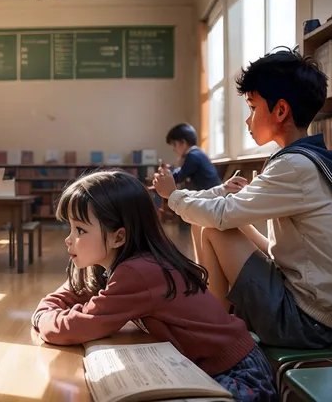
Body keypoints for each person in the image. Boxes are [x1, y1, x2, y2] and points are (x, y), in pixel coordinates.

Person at [153, 47, 332, 350]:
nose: (248, 120)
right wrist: (236, 213)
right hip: (314, 314)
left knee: (213, 229)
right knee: (218, 227)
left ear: (280, 111)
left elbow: (220, 215)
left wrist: (172, 195)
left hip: (306, 322)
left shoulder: (294, 166)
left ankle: (212, 336)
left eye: (252, 107)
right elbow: (278, 252)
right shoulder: (303, 160)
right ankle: (211, 323)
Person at [31, 170, 276, 402]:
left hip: (239, 378)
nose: (68, 239)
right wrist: (46, 311)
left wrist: (42, 318)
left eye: (80, 230)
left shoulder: (138, 271)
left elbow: (82, 325)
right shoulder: (115, 263)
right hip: (212, 369)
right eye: (70, 228)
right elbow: (71, 292)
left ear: (119, 237)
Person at [164, 122, 223, 258]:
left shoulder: (193, 156)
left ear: (183, 143)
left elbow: (179, 176)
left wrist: (166, 175)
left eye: (174, 145)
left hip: (211, 197)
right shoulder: (197, 153)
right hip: (210, 194)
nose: (173, 149)